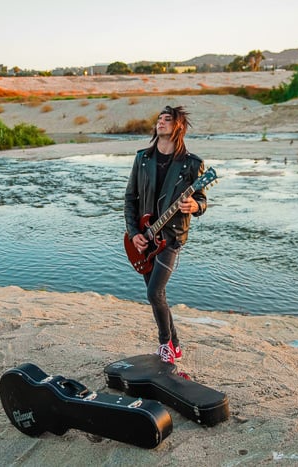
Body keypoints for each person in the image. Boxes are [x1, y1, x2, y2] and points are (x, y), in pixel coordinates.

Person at [124, 105, 208, 364]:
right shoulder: (142, 159)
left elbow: (202, 201)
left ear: (178, 126)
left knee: (154, 293)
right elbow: (130, 198)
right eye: (159, 119)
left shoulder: (192, 164)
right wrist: (134, 232)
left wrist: (195, 206)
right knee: (156, 293)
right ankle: (176, 345)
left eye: (167, 119)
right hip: (145, 237)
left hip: (171, 239)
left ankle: (165, 346)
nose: (160, 122)